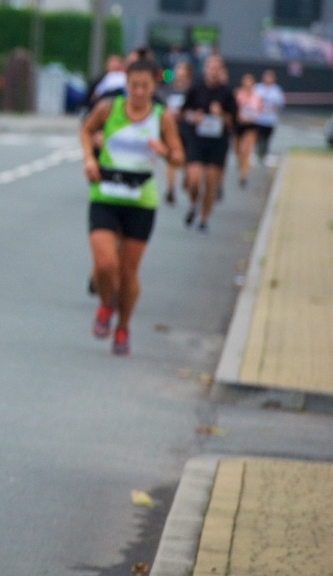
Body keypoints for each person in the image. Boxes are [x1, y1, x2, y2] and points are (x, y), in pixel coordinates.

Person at [81, 57, 184, 356]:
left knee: (127, 273)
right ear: (126, 85)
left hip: (140, 201)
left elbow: (179, 157)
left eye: (145, 87)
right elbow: (86, 131)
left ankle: (123, 326)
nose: (139, 92)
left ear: (154, 86)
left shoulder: (161, 117)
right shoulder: (108, 109)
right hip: (105, 195)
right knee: (104, 265)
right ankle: (104, 305)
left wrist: (165, 151)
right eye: (134, 86)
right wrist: (89, 159)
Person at [181, 54, 237, 232]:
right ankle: (192, 204)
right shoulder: (195, 89)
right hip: (197, 140)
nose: (212, 71)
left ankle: (204, 219)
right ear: (205, 69)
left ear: (221, 71)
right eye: (210, 67)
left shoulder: (227, 93)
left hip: (217, 143)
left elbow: (234, 121)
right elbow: (183, 113)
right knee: (194, 179)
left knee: (210, 184)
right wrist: (193, 117)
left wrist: (221, 114)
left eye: (216, 68)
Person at [161, 60, 196, 205]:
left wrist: (184, 114)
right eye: (177, 70)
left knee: (185, 160)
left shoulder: (192, 91)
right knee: (170, 159)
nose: (179, 74)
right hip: (171, 129)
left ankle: (187, 179)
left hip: (187, 130)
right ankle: (170, 188)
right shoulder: (168, 89)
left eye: (182, 71)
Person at [233, 73, 261, 188]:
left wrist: (253, 116)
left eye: (250, 82)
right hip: (239, 125)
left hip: (251, 126)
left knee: (246, 150)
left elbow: (259, 111)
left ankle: (243, 175)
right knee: (237, 149)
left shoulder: (257, 97)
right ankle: (240, 163)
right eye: (245, 82)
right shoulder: (238, 94)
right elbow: (233, 108)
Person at [254, 69, 285, 161]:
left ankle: (264, 153)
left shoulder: (277, 90)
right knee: (258, 137)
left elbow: (280, 104)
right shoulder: (258, 88)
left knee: (267, 139)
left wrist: (272, 107)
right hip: (258, 119)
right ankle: (258, 153)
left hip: (270, 120)